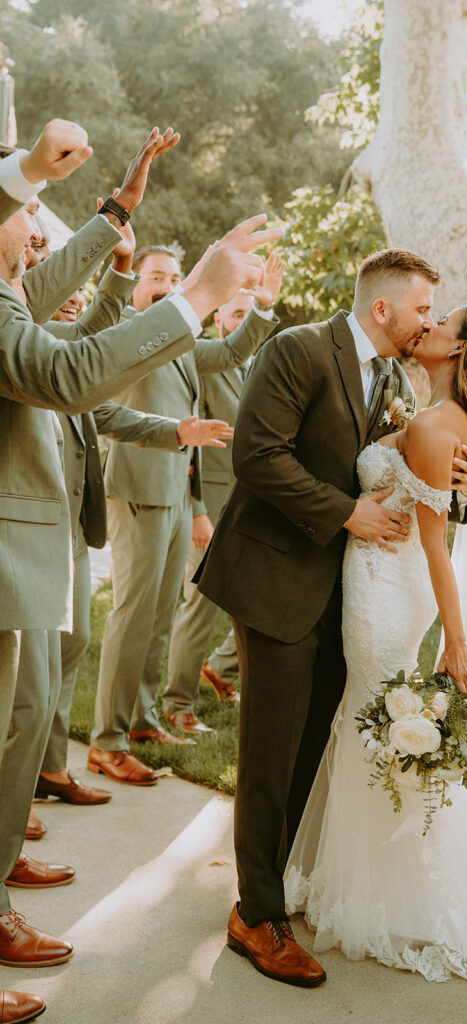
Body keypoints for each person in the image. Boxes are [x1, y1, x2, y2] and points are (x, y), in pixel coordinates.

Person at [0, 116, 279, 1015]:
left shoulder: (15, 281)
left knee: (35, 705)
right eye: (21, 213)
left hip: (29, 547)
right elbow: (77, 375)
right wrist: (194, 289)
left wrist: (116, 205)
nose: (36, 229)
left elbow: (45, 282)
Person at [197, 248, 467, 986]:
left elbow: (411, 473)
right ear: (381, 307)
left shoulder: (390, 376)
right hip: (275, 577)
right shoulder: (298, 349)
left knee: (310, 744)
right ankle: (255, 917)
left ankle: (278, 883)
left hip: (344, 594)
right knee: (270, 750)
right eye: (422, 307)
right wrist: (346, 512)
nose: (429, 321)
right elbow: (259, 455)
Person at [285, 307, 467, 981]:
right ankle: (348, 869)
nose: (428, 325)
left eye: (442, 322)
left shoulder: (432, 425)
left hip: (386, 592)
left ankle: (388, 887)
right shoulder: (439, 416)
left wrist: (455, 640)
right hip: (379, 579)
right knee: (365, 717)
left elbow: (433, 543)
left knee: (370, 720)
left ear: (464, 350)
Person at [88, 241, 280, 774]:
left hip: (175, 490)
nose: (167, 287)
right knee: (130, 617)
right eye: (156, 278)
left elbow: (230, 354)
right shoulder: (124, 329)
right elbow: (104, 408)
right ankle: (107, 741)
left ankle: (145, 719)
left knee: (157, 617)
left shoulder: (181, 339)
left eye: (174, 278)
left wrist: (261, 308)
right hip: (136, 487)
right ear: (136, 283)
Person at [164, 263, 283, 736]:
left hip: (250, 501)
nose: (241, 320)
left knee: (258, 596)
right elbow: (188, 439)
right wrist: (195, 509)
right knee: (200, 605)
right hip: (210, 502)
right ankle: (176, 704)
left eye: (247, 313)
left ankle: (221, 669)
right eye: (236, 313)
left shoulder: (258, 365)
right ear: (219, 321)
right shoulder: (202, 359)